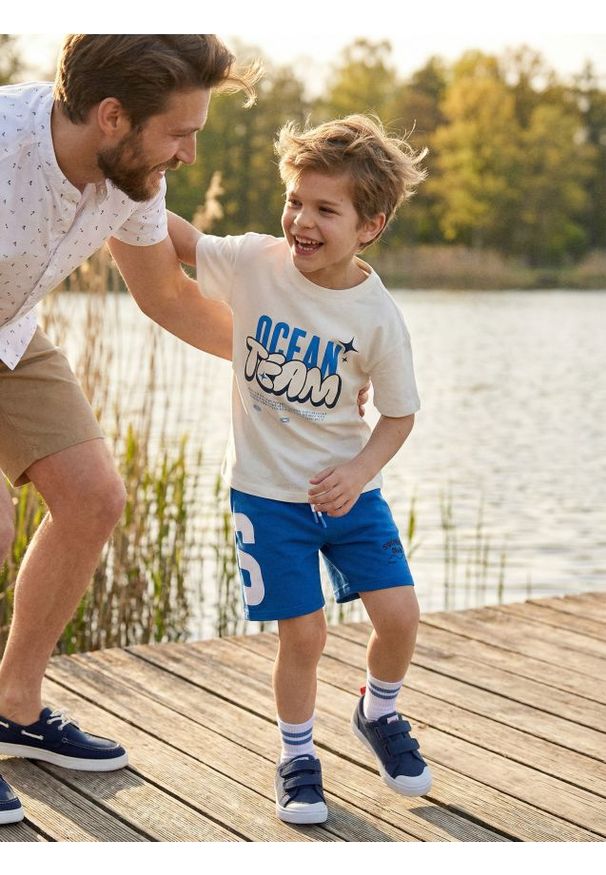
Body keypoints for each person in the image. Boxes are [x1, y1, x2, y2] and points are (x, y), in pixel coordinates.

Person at [0, 33, 260, 826]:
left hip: (10, 332)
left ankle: (13, 705)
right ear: (113, 116)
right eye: (180, 133)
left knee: (92, 499)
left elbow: (168, 298)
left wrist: (282, 369)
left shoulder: (131, 175)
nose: (187, 154)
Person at [168, 114, 432, 825]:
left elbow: (400, 414)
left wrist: (360, 468)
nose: (301, 221)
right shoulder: (256, 261)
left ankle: (378, 712)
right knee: (305, 634)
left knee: (401, 615)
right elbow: (183, 240)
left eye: (325, 209)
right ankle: (296, 756)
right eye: (295, 201)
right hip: (268, 497)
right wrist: (117, 188)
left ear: (370, 225)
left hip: (350, 495)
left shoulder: (378, 317)